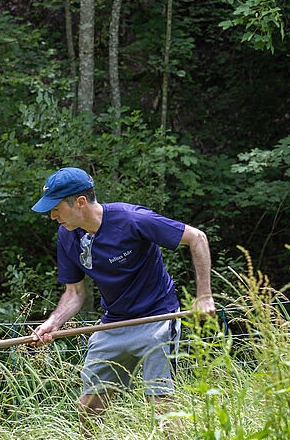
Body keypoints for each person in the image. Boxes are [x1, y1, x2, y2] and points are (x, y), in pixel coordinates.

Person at [28, 166, 215, 424]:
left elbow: (197, 237)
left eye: (56, 208)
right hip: (114, 322)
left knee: (160, 405)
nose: (52, 216)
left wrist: (204, 296)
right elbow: (74, 292)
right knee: (89, 406)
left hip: (157, 318)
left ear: (80, 202)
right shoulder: (67, 235)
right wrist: (54, 322)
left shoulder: (131, 219)